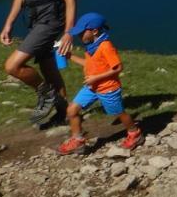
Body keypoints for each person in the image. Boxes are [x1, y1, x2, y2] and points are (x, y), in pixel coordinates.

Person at [0, 0, 77, 126]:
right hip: (36, 18)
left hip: (52, 20)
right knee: (48, 66)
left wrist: (69, 32)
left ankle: (46, 93)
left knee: (12, 66)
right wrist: (9, 23)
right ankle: (65, 113)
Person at [57, 12, 143, 155]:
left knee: (119, 113)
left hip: (107, 88)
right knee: (71, 110)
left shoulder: (105, 46)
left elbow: (118, 68)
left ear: (94, 31)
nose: (79, 36)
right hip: (91, 87)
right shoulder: (91, 46)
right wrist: (69, 56)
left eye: (81, 33)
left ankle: (135, 133)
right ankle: (77, 140)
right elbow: (88, 65)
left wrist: (95, 78)